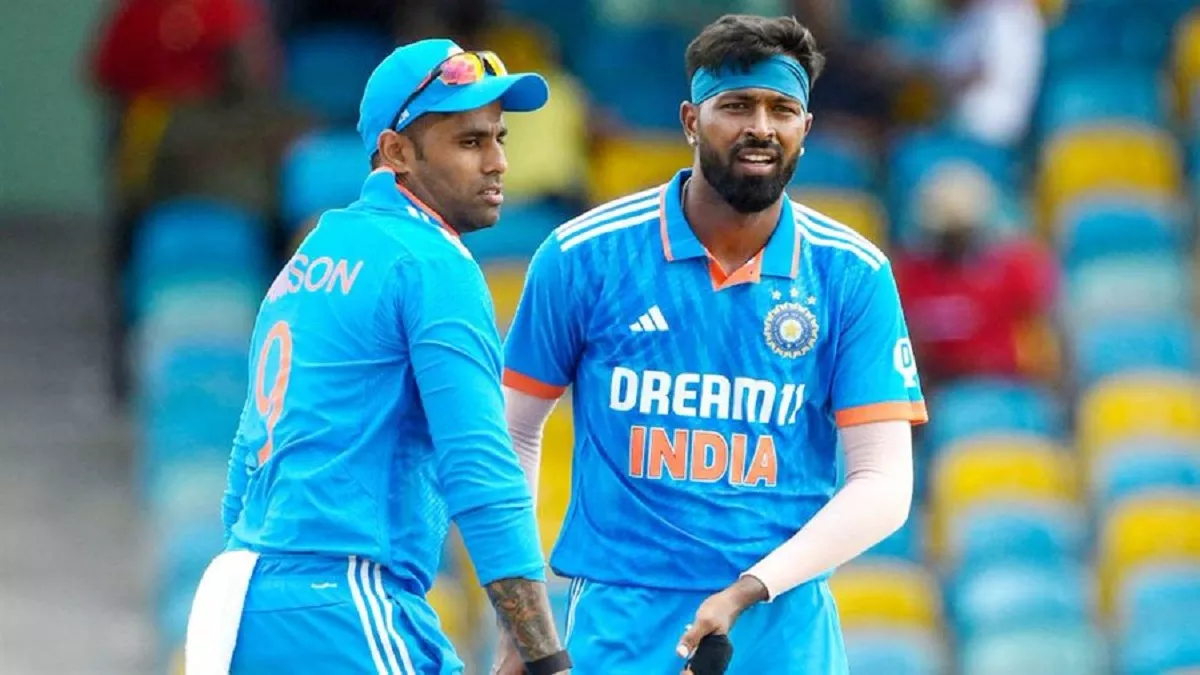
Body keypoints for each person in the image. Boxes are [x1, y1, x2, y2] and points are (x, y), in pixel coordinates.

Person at [495, 14, 926, 675]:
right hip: (623, 623)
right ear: (692, 120)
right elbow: (515, 435)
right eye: (736, 105)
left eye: (782, 108)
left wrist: (749, 587)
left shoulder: (851, 273)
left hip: (781, 623)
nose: (761, 125)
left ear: (805, 131)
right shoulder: (583, 255)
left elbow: (884, 483)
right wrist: (519, 623)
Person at [185, 38, 571, 675]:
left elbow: (243, 467)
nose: (499, 162)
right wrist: (543, 654)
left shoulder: (307, 261)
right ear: (396, 152)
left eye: (499, 138)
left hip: (242, 602)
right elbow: (481, 465)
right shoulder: (431, 261)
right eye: (470, 142)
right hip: (344, 601)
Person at [893, 161, 1058, 391]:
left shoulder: (1014, 267)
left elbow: (1041, 339)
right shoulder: (911, 275)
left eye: (962, 232)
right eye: (947, 234)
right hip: (936, 387)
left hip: (1005, 381)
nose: (954, 242)